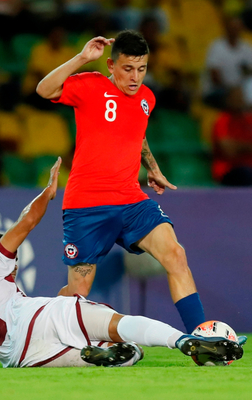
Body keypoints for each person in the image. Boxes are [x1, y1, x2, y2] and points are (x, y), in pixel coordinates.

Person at [0, 159, 245, 368]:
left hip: (26, 357)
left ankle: (100, 355)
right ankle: (183, 342)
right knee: (121, 325)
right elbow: (24, 223)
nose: (13, 262)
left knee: (117, 356)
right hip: (44, 315)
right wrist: (47, 194)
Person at [35, 30, 206, 333]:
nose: (135, 77)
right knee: (78, 294)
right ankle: (35, 326)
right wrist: (82, 58)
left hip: (130, 199)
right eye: (128, 69)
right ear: (111, 66)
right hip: (87, 204)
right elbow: (44, 89)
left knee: (176, 255)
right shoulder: (89, 85)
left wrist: (152, 167)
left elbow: (137, 135)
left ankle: (201, 337)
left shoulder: (146, 99)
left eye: (141, 69)